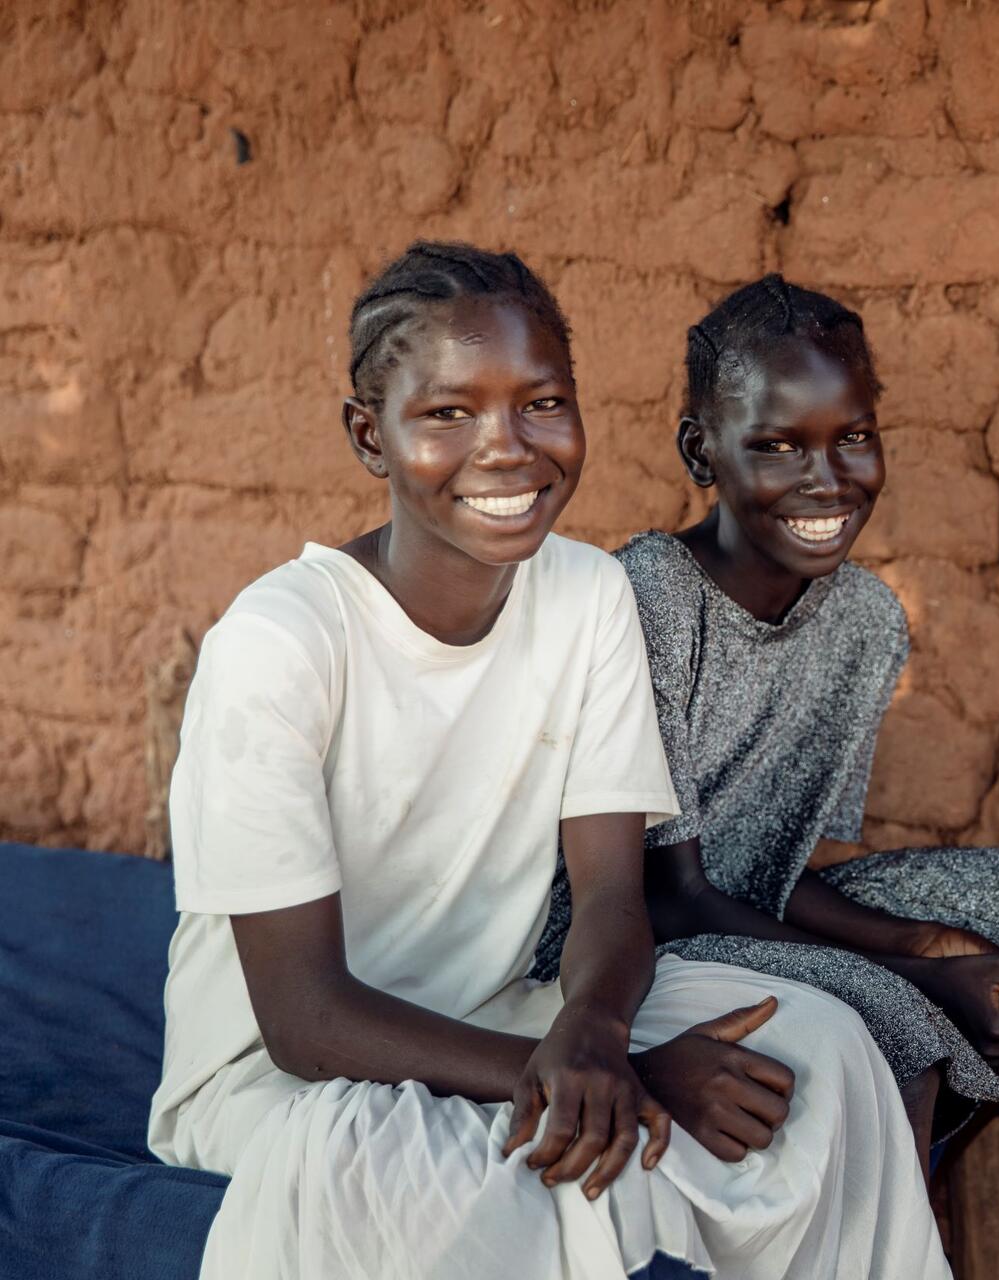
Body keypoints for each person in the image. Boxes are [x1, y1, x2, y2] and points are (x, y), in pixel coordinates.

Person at [148, 244, 949, 1280]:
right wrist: (620, 1073)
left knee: (823, 1044)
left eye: (541, 403)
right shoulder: (282, 643)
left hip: (502, 1013)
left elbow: (613, 894)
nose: (507, 448)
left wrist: (594, 1029)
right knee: (407, 1172)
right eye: (446, 414)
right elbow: (303, 1018)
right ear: (369, 435)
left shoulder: (582, 595)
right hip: (289, 1073)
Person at [534, 274, 999, 1168]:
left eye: (855, 439)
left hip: (750, 907)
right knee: (905, 1020)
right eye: (778, 446)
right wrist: (926, 978)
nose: (826, 479)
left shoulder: (867, 620)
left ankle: (924, 1139)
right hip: (622, 938)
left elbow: (781, 867)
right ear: (700, 451)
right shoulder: (649, 597)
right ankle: (892, 1214)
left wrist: (942, 944)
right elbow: (670, 894)